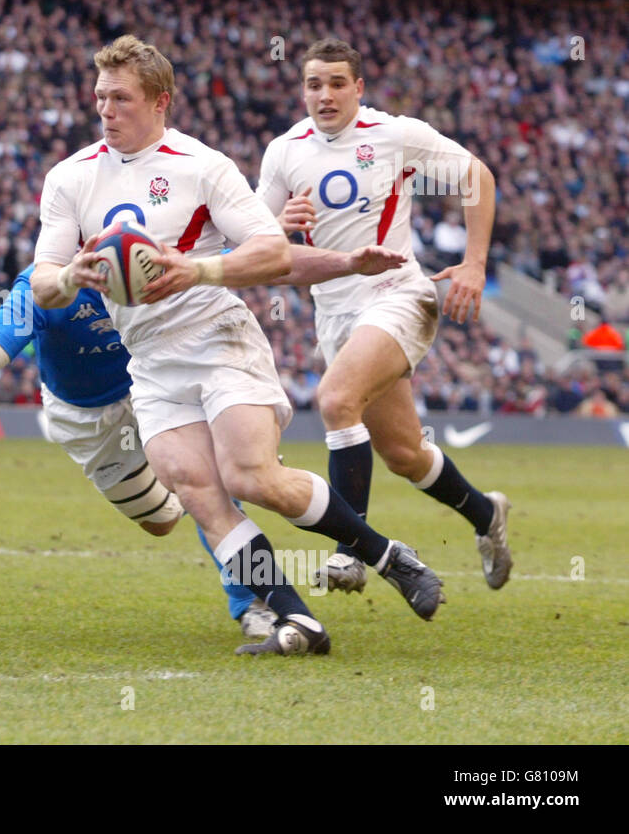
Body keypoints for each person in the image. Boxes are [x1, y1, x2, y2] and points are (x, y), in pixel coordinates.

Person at [30, 35, 444, 656]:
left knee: (251, 477)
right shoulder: (70, 177)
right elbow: (42, 278)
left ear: (160, 101)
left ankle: (387, 555)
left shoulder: (202, 165)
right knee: (196, 489)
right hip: (150, 358)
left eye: (120, 98)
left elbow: (271, 248)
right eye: (100, 98)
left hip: (217, 335)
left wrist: (198, 270)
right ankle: (300, 621)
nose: (106, 110)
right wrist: (70, 278)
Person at [258, 37, 512, 592]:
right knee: (403, 453)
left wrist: (474, 263)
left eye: (336, 83)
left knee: (335, 399)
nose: (324, 95)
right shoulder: (284, 152)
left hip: (399, 295)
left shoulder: (395, 135)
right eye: (313, 84)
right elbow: (266, 255)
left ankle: (352, 550)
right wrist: (277, 225)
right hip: (337, 316)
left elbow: (478, 177)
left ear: (359, 88)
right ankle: (487, 517)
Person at [0, 264, 277, 638]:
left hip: (150, 388)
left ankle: (253, 601)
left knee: (210, 491)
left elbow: (236, 254)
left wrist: (275, 226)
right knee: (161, 523)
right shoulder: (42, 286)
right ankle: (185, 489)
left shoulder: (152, 257)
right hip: (85, 418)